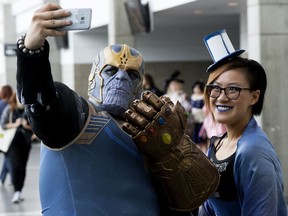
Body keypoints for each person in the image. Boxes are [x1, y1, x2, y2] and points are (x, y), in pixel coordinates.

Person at [15, 3, 219, 216]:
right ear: (94, 76)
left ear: (141, 85)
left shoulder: (148, 128)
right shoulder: (77, 116)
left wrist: (173, 149)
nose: (121, 78)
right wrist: (31, 52)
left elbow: (180, 200)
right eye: (111, 70)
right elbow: (41, 103)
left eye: (132, 74)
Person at [199, 29, 287, 215]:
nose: (221, 98)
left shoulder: (253, 152)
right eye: (215, 88)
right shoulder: (218, 143)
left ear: (254, 97)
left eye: (233, 89)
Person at [0, 92, 32, 203]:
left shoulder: (29, 110)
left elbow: (34, 127)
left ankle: (18, 191)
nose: (21, 101)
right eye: (19, 98)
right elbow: (3, 124)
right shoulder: (9, 109)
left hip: (25, 142)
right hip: (12, 143)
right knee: (16, 165)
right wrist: (15, 124)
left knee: (22, 167)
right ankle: (16, 190)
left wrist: (25, 125)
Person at [0, 85, 14, 186]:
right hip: (9, 134)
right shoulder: (11, 105)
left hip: (2, 134)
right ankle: (3, 178)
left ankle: (6, 178)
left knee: (7, 156)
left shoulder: (1, 104)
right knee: (7, 156)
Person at [190, 80, 205, 150]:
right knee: (195, 137)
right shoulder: (193, 96)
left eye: (198, 88)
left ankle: (204, 150)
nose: (196, 89)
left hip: (202, 119)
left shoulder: (203, 97)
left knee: (202, 137)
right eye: (195, 88)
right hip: (195, 119)